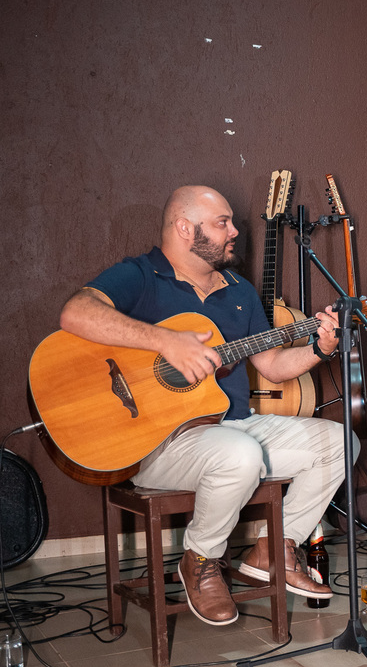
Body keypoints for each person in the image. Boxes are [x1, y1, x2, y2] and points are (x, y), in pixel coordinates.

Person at [59, 186, 352, 626]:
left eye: (231, 222)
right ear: (184, 227)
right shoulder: (139, 275)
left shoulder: (238, 289)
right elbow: (74, 313)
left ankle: (274, 548)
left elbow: (271, 365)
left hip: (233, 426)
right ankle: (200, 561)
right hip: (158, 442)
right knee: (239, 454)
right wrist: (164, 341)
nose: (235, 231)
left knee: (339, 440)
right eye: (222, 223)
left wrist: (321, 346)